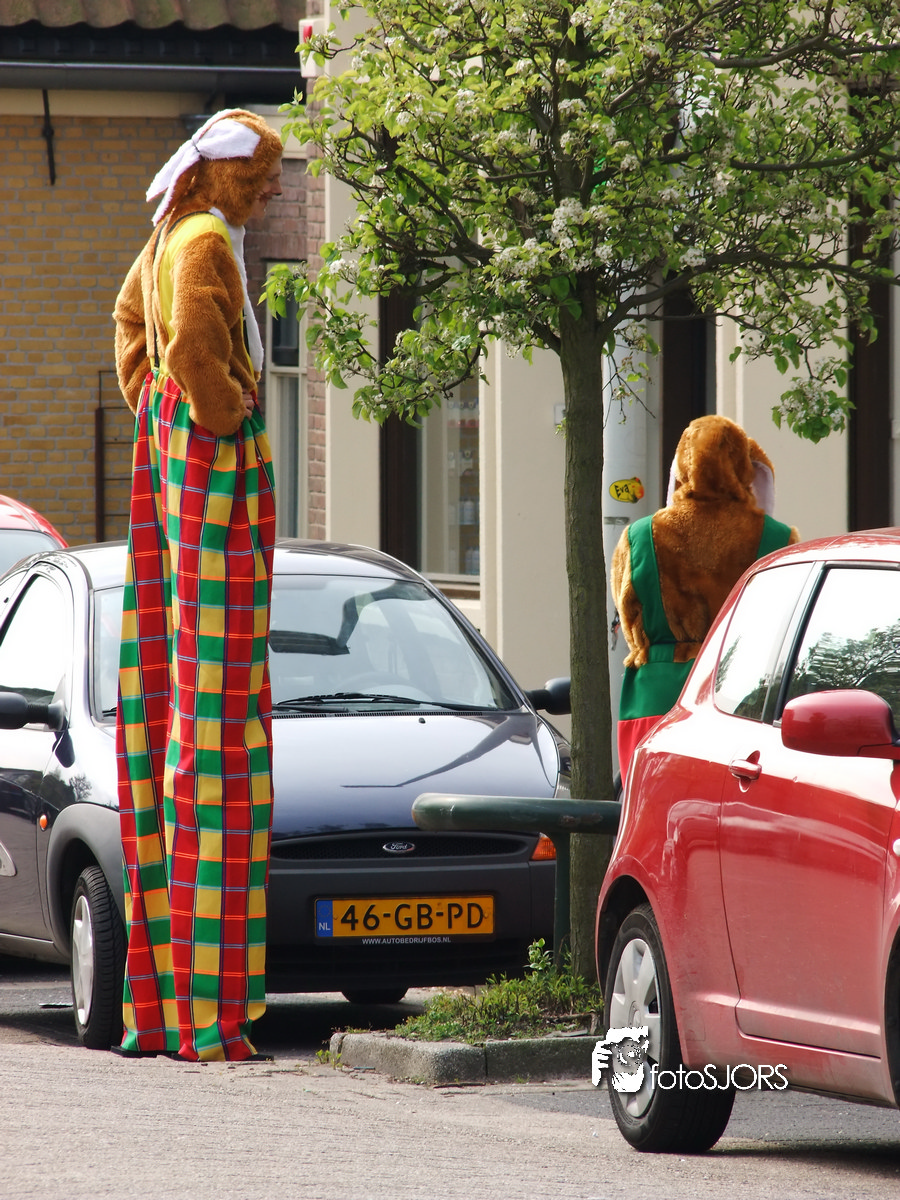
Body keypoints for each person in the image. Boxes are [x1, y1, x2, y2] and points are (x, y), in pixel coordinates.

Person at [112, 109, 283, 1061]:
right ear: (220, 176)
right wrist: (223, 416)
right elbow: (186, 351)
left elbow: (130, 324)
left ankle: (163, 1004)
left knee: (169, 702)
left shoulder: (168, 233)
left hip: (170, 468)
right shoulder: (207, 241)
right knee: (219, 730)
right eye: (261, 177)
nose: (272, 192)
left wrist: (153, 405)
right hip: (212, 470)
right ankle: (208, 1014)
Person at [612, 415, 799, 786]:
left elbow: (628, 611)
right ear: (744, 466)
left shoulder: (639, 536)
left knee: (653, 806)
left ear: (682, 465)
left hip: (656, 695)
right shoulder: (778, 537)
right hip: (744, 695)